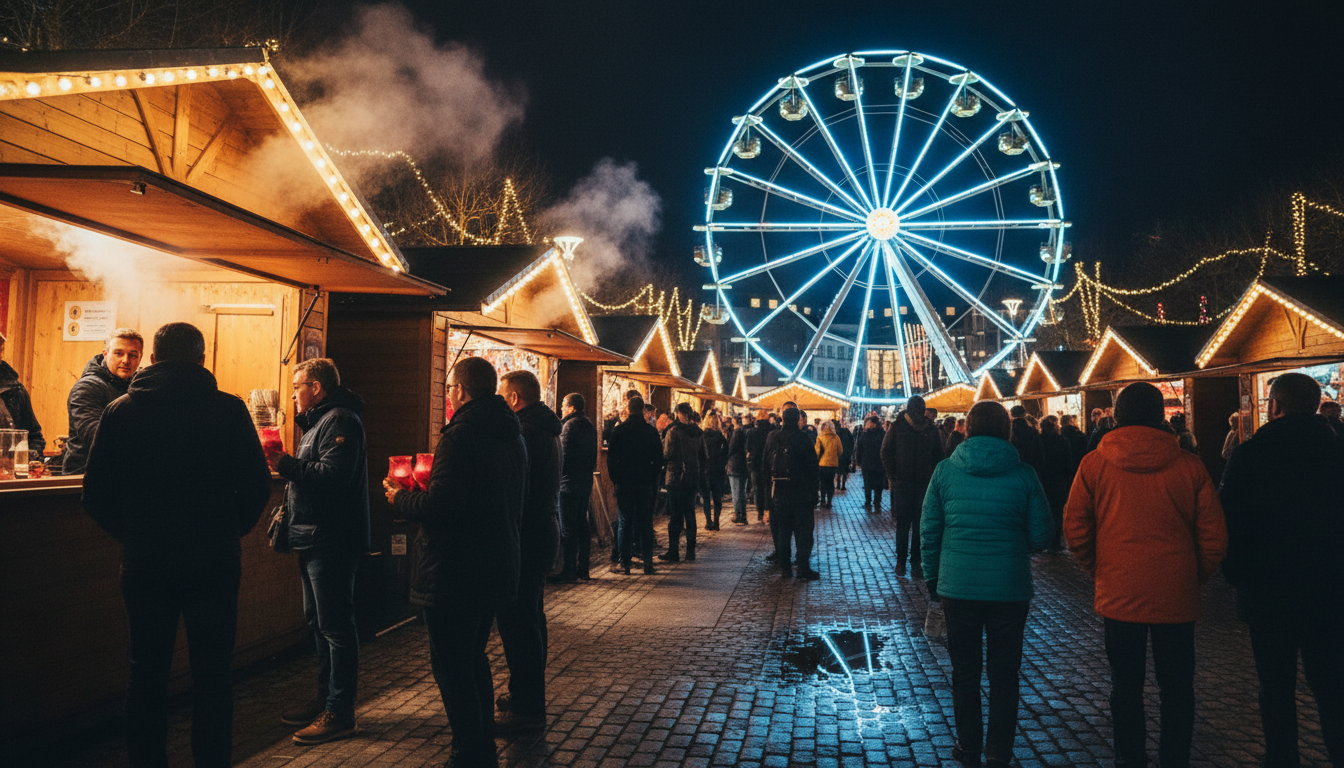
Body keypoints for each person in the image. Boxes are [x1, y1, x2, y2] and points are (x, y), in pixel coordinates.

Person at [82, 322, 271, 768]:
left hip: (147, 561)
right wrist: (230, 528)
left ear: (152, 359)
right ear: (202, 361)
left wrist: (133, 535)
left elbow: (95, 495)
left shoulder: (121, 412)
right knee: (213, 675)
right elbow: (257, 486)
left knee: (145, 673)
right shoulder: (228, 411)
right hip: (213, 559)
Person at [1064, 382, 1227, 768]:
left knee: (1125, 686)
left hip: (1119, 591)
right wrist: (1192, 573)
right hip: (1176, 591)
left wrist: (1101, 568)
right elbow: (1214, 535)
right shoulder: (1189, 465)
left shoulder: (1094, 464)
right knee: (1177, 689)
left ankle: (1130, 756)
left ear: (1116, 416)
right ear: (1161, 415)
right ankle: (1175, 758)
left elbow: (1076, 529)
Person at [385, 356, 524, 768]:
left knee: (451, 666)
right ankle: (480, 747)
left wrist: (400, 498)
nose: (448, 396)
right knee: (473, 657)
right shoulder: (510, 433)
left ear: (460, 391)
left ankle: (469, 751)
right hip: (495, 562)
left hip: (455, 570)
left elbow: (444, 505)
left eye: (449, 389)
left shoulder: (459, 436)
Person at [1220, 372, 1344, 768]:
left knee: (1275, 685)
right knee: (1331, 684)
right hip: (1330, 587)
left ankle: (1282, 757)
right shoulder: (1336, 451)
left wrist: (1236, 573)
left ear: (1274, 406)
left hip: (1268, 589)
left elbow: (1231, 520)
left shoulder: (1251, 453)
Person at [922, 401, 1052, 768]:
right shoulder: (1024, 474)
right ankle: (999, 751)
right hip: (1009, 586)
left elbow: (929, 532)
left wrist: (933, 579)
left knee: (964, 671)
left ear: (967, 427)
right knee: (1004, 674)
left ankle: (968, 745)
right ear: (1006, 429)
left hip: (957, 586)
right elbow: (1042, 533)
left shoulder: (945, 472)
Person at [267, 358, 370, 745]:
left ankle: (340, 711)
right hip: (313, 535)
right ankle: (326, 698)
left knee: (336, 625)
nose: (293, 394)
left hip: (332, 537)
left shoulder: (340, 421)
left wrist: (285, 464)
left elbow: (332, 477)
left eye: (298, 386)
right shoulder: (319, 422)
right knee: (318, 622)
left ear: (317, 387)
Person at [494, 370, 561, 733]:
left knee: (518, 620)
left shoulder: (525, 432)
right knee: (530, 617)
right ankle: (526, 694)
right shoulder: (545, 428)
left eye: (502, 395)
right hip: (543, 529)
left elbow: (517, 488)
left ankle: (527, 704)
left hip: (528, 533)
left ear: (515, 398)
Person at [63, 328, 143, 475]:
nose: (126, 360)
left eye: (132, 355)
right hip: (84, 477)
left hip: (123, 476)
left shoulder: (140, 387)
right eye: (119, 353)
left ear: (140, 358)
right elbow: (95, 436)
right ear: (105, 355)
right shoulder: (87, 387)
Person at [882, 396, 943, 576]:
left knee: (903, 523)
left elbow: (885, 451)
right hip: (923, 482)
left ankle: (902, 560)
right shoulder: (931, 429)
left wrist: (893, 474)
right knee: (918, 524)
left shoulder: (897, 426)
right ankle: (915, 561)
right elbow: (939, 455)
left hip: (904, 482)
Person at [606, 396, 662, 575]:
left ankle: (625, 563)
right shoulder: (650, 432)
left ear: (629, 409)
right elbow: (659, 459)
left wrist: (616, 480)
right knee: (645, 523)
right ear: (642, 410)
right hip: (645, 483)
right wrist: (652, 478)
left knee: (625, 522)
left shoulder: (619, 431)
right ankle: (648, 563)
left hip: (624, 483)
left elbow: (611, 459)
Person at [764, 407, 820, 579]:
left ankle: (785, 568)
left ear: (782, 419)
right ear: (797, 420)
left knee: (783, 531)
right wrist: (814, 493)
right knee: (803, 532)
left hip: (779, 492)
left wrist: (767, 497)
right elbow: (812, 468)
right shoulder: (803, 438)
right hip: (801, 492)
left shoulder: (773, 437)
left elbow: (765, 466)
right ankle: (803, 567)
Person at [552, 392, 597, 583]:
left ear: (571, 407)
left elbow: (564, 457)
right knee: (582, 525)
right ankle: (583, 568)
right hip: (584, 482)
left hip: (568, 484)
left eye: (563, 405)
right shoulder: (589, 425)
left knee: (568, 528)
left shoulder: (568, 426)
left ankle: (569, 569)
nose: (561, 409)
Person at [662, 402, 706, 562]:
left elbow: (667, 454)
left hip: (675, 477)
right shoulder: (699, 433)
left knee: (675, 517)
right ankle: (690, 552)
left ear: (680, 413)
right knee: (690, 514)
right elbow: (704, 456)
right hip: (692, 478)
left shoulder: (674, 432)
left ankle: (673, 552)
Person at [0, 331, 46, 465]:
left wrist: (29, 459)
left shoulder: (16, 390)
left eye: (1, 349)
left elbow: (34, 436)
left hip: (11, 478)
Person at [1037, 415, 1074, 551]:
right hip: (1058, 481)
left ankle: (1044, 540)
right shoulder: (1061, 440)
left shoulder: (1039, 441)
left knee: (1044, 511)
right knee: (1057, 512)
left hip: (1043, 481)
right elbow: (1068, 463)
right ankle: (1056, 541)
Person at [700, 412, 729, 530]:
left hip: (705, 470)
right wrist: (722, 463)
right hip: (718, 471)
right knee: (717, 497)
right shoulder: (720, 436)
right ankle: (716, 522)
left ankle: (708, 522)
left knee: (706, 497)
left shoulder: (702, 436)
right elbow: (726, 452)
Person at [746, 410, 773, 523]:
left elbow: (747, 448)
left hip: (755, 464)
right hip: (769, 464)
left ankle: (760, 512)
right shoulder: (772, 431)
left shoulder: (752, 432)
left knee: (757, 488)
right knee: (768, 487)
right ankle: (768, 511)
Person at [854, 416, 886, 510]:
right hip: (880, 464)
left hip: (867, 464)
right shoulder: (883, 434)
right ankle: (877, 502)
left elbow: (859, 449)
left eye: (868, 423)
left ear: (873, 424)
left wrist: (859, 461)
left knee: (868, 484)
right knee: (878, 485)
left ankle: (868, 502)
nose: (866, 425)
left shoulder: (865, 435)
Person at [725, 411, 750, 525]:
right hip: (743, 465)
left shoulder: (736, 433)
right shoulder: (745, 432)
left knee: (736, 491)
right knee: (742, 491)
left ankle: (738, 514)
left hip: (734, 465)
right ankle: (743, 514)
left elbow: (731, 449)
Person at [1007, 405, 1043, 476]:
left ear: (1011, 415)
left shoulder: (1008, 432)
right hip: (1031, 466)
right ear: (1025, 414)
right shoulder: (1032, 431)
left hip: (1012, 467)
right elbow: (1039, 451)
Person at [814, 419, 842, 508]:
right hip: (833, 464)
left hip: (822, 464)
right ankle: (829, 502)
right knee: (830, 483)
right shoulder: (836, 437)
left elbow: (817, 452)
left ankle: (822, 501)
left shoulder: (820, 438)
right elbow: (840, 451)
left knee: (822, 483)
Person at [836, 419, 854, 491]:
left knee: (838, 471)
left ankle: (838, 485)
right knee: (845, 471)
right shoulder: (846, 431)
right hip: (846, 454)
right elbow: (852, 441)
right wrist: (850, 451)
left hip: (839, 455)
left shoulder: (836, 433)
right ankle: (843, 485)